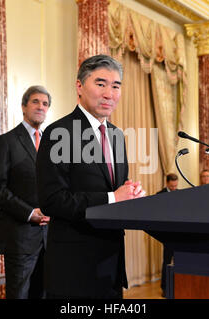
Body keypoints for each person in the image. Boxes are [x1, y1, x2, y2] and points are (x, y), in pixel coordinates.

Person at [36, 54, 146, 299]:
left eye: (116, 86)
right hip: (74, 268)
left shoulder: (117, 136)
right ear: (79, 86)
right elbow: (52, 200)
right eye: (100, 84)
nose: (109, 93)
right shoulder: (59, 133)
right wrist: (112, 197)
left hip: (111, 265)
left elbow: (116, 192)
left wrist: (131, 196)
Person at [0, 85, 51, 299]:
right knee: (19, 295)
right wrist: (29, 213)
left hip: (50, 237)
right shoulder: (7, 141)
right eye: (35, 102)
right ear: (23, 106)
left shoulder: (52, 143)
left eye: (45, 103)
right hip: (20, 237)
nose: (41, 107)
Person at [156, 173, 178, 297]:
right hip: (167, 234)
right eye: (172, 186)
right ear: (167, 183)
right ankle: (165, 287)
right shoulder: (160, 195)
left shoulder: (181, 193)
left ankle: (177, 284)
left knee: (179, 260)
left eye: (176, 185)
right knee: (167, 261)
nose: (174, 188)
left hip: (180, 232)